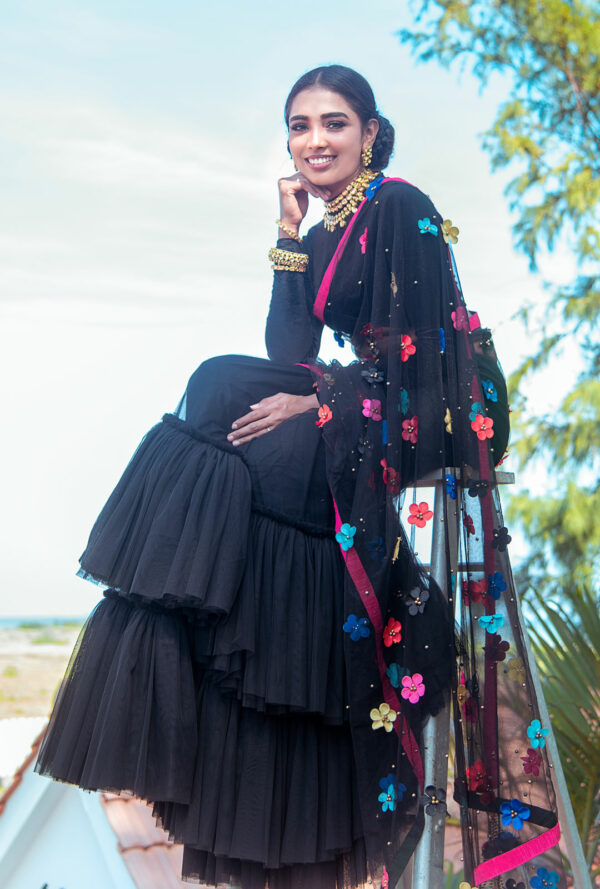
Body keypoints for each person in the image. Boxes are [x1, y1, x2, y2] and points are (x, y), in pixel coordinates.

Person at [36, 65, 562, 889]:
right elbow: (291, 353)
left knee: (257, 433)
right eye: (299, 126)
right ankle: (181, 610)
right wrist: (287, 235)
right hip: (357, 399)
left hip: (424, 415)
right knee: (215, 380)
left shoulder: (400, 206)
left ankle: (233, 622)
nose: (314, 141)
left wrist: (316, 406)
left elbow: (427, 360)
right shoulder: (322, 230)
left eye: (334, 124)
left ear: (370, 134)